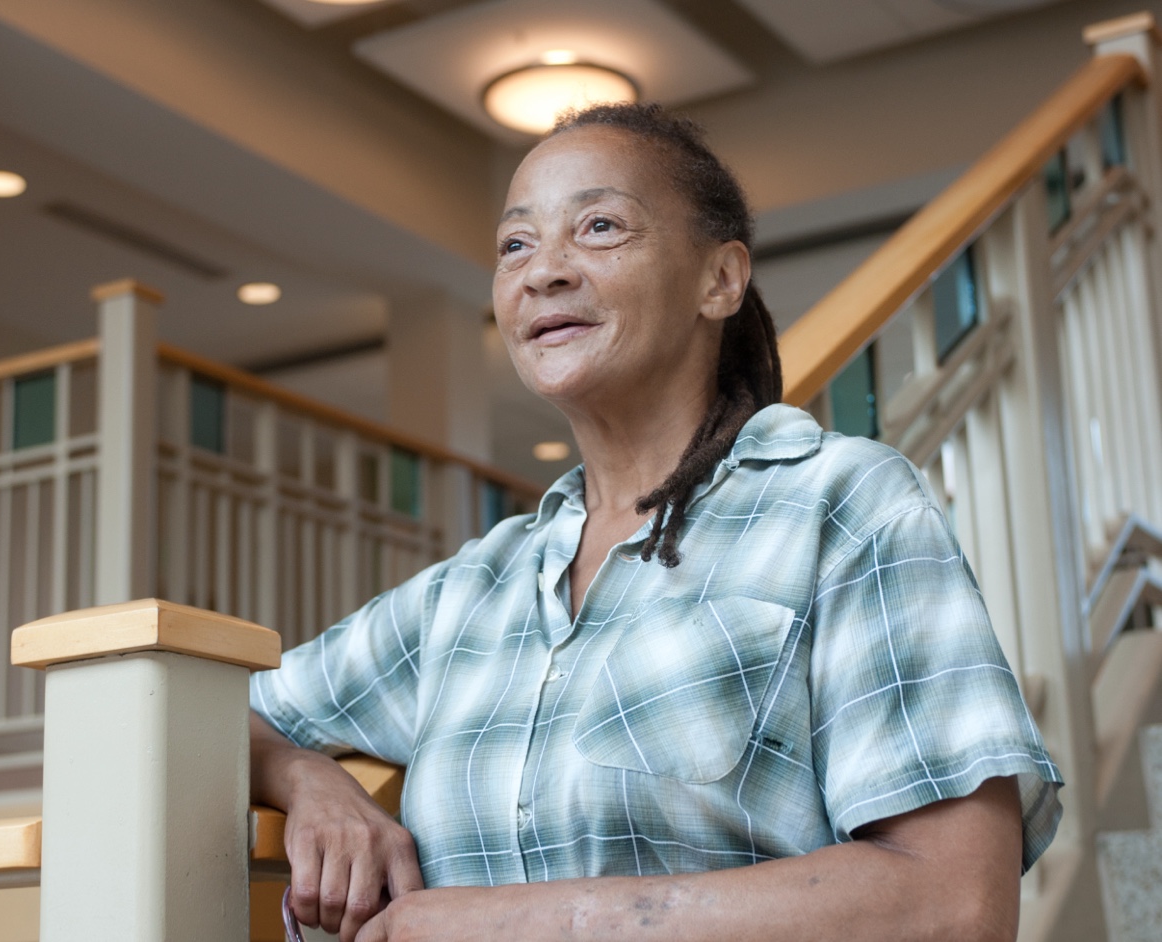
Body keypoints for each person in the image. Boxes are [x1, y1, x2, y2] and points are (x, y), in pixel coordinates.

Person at [250, 102, 1062, 942]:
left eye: (600, 227)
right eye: (516, 244)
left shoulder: (845, 504)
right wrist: (310, 781)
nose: (543, 271)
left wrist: (506, 924)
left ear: (721, 279)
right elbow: (224, 711)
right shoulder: (471, 591)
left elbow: (956, 904)